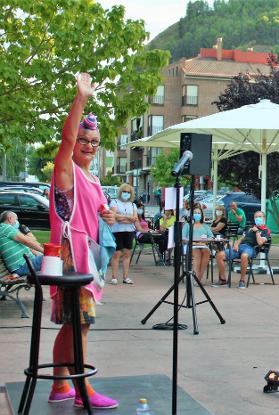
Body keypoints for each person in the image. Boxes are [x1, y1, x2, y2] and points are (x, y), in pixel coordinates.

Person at [47, 73, 118, 408]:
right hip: (69, 256)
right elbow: (66, 138)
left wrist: (109, 216)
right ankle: (82, 391)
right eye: (84, 140)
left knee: (71, 325)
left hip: (86, 256)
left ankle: (61, 386)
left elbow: (100, 211)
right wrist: (81, 99)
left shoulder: (92, 176)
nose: (88, 145)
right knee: (82, 326)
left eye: (95, 142)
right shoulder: (67, 169)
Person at [215, 211, 269, 288]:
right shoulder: (250, 228)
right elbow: (240, 239)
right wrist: (236, 244)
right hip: (240, 247)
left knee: (244, 256)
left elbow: (260, 243)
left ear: (264, 218)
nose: (258, 218)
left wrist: (257, 231)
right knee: (219, 255)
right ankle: (223, 279)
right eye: (256, 217)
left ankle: (242, 281)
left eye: (260, 217)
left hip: (251, 249)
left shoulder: (265, 230)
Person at [109, 183, 137, 285]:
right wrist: (128, 218)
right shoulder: (114, 202)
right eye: (124, 192)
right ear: (120, 192)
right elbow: (114, 216)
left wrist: (122, 218)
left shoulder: (133, 205)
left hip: (129, 231)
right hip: (117, 231)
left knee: (127, 254)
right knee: (117, 253)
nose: (126, 194)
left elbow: (134, 219)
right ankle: (114, 277)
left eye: (128, 192)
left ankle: (125, 277)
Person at [182, 204, 213, 285]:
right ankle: (196, 278)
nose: (197, 215)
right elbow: (183, 237)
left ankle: (199, 277)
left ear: (202, 215)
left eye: (199, 213)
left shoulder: (205, 226)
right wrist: (192, 242)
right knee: (197, 253)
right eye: (195, 213)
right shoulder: (188, 225)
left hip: (203, 245)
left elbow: (211, 237)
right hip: (190, 246)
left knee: (206, 252)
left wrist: (204, 242)